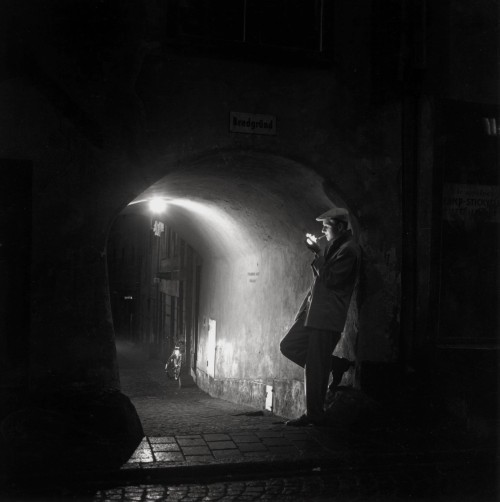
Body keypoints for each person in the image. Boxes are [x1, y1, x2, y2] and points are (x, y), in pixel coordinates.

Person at [280, 207, 361, 426]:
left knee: (315, 366)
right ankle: (334, 364)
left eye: (326, 226)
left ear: (340, 227)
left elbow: (332, 280)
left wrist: (317, 253)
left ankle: (314, 414)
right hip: (313, 315)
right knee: (289, 345)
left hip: (326, 317)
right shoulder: (333, 248)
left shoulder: (348, 250)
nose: (323, 231)